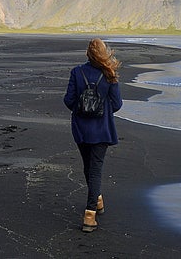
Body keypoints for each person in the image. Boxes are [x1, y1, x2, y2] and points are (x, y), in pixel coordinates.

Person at [63, 38, 123, 233]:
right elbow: (117, 104)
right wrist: (102, 110)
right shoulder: (109, 74)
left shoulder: (77, 72)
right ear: (104, 53)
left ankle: (97, 200)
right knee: (95, 169)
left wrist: (81, 110)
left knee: (88, 167)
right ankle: (90, 214)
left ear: (88, 53)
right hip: (102, 128)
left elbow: (68, 100)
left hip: (81, 128)